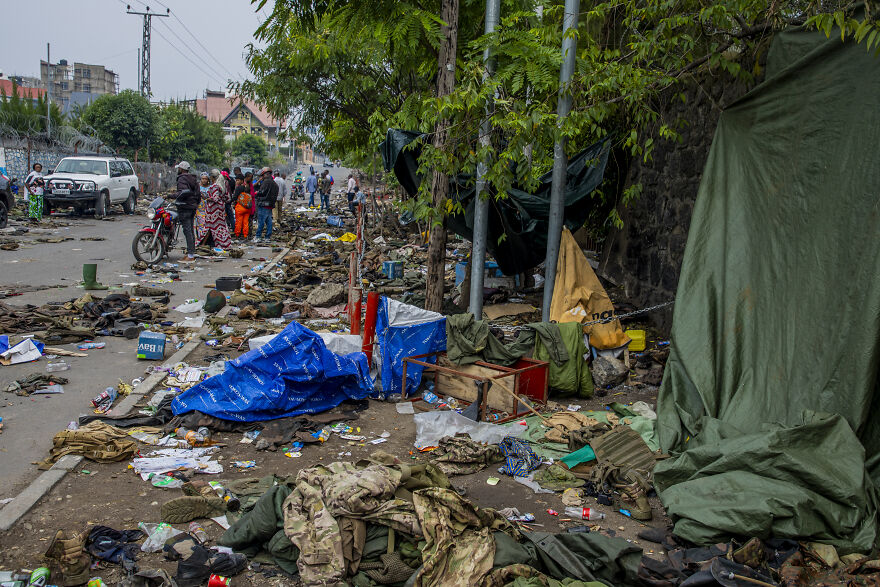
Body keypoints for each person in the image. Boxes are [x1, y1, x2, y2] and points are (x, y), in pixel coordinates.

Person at [171, 161, 199, 262]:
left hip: (185, 207)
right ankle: (191, 253)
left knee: (187, 230)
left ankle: (190, 255)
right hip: (192, 207)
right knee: (190, 230)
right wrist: (195, 204)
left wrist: (171, 196)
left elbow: (182, 193)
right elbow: (198, 194)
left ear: (182, 169)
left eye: (179, 168)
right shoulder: (193, 179)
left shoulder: (182, 179)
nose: (178, 170)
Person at [203, 169, 233, 250]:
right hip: (221, 208)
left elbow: (215, 198)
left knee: (212, 227)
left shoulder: (215, 186)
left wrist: (207, 198)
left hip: (213, 210)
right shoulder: (222, 185)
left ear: (212, 177)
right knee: (221, 227)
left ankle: (213, 243)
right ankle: (225, 243)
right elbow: (227, 198)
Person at [254, 166, 278, 241]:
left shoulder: (266, 182)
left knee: (261, 221)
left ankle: (258, 236)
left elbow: (261, 192)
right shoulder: (274, 184)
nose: (262, 177)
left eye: (262, 175)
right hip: (270, 205)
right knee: (269, 222)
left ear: (266, 174)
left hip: (263, 204)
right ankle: (267, 237)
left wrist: (256, 193)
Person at [232, 175, 252, 240]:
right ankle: (245, 235)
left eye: (237, 180)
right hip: (247, 208)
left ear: (241, 180)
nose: (236, 182)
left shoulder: (239, 188)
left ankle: (237, 235)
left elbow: (235, 197)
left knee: (238, 222)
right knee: (245, 222)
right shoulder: (247, 187)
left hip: (240, 207)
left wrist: (231, 201)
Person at [194, 172, 211, 243]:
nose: (204, 180)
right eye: (202, 179)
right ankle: (199, 240)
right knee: (199, 225)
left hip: (207, 209)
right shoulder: (197, 187)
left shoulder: (210, 188)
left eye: (205, 179)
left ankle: (203, 241)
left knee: (205, 225)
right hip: (198, 209)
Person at [244, 171, 256, 239]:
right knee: (247, 221)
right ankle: (247, 234)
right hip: (247, 206)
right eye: (250, 177)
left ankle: (249, 234)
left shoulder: (250, 184)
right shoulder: (245, 185)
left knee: (249, 221)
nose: (251, 179)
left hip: (251, 205)